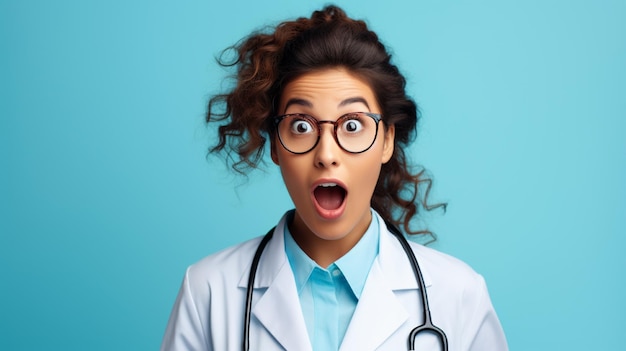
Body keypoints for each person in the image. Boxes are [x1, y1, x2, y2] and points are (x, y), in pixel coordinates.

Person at [161, 5, 508, 351]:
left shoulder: (459, 296)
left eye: (353, 125)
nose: (326, 154)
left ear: (387, 140)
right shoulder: (207, 292)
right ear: (275, 148)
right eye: (301, 126)